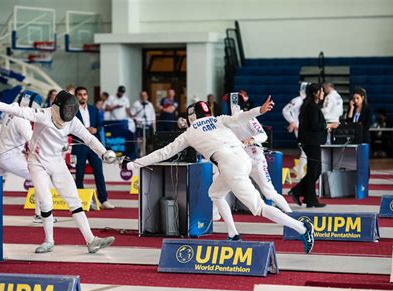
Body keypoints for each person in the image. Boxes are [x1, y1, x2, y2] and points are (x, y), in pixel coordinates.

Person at [121, 99, 315, 254]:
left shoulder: (189, 133)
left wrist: (133, 164)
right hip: (243, 159)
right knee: (215, 193)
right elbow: (240, 117)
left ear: (191, 116)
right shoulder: (218, 119)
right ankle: (233, 234)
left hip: (231, 166)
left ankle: (302, 229)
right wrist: (260, 110)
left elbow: (163, 153)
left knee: (259, 208)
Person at [0, 90, 116, 254]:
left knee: (74, 200)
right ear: (57, 107)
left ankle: (91, 240)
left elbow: (89, 138)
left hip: (57, 162)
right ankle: (49, 240)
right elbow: (19, 110)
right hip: (37, 163)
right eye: (67, 109)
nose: (69, 113)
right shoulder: (43, 114)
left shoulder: (72, 121)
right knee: (45, 201)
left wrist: (103, 153)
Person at [228, 92, 293, 213]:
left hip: (256, 160)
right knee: (222, 188)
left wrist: (251, 140)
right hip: (240, 162)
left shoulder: (248, 118)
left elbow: (263, 135)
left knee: (269, 192)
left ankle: (290, 214)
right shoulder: (227, 120)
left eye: (232, 103)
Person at [0, 90, 47, 223]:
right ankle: (40, 214)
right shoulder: (22, 119)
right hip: (9, 157)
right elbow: (32, 141)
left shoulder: (10, 110)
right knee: (39, 177)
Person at [72, 86, 115, 210]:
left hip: (93, 145)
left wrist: (96, 129)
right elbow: (68, 127)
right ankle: (80, 201)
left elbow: (99, 124)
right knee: (79, 174)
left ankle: (103, 199)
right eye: (80, 94)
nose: (83, 96)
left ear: (87, 96)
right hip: (79, 144)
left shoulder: (93, 109)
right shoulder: (72, 110)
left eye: (85, 94)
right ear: (76, 96)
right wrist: (82, 131)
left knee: (99, 172)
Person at [288, 83, 327, 208]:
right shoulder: (312, 107)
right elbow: (315, 126)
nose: (323, 94)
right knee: (314, 171)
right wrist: (327, 126)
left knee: (315, 170)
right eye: (321, 91)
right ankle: (304, 195)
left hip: (310, 142)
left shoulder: (309, 106)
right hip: (311, 142)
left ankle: (304, 194)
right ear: (315, 93)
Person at [282, 82, 309, 179]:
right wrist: (292, 121)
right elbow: (285, 110)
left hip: (307, 128)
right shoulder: (297, 100)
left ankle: (299, 168)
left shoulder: (309, 100)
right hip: (300, 129)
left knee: (306, 150)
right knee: (306, 150)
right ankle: (300, 170)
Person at [131, 91, 156, 155]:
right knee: (139, 138)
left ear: (147, 96)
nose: (144, 97)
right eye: (142, 95)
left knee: (144, 139)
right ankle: (138, 150)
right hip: (139, 125)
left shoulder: (149, 104)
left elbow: (153, 115)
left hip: (147, 124)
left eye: (145, 95)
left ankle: (143, 152)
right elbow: (132, 114)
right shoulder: (136, 104)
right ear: (140, 96)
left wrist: (154, 125)